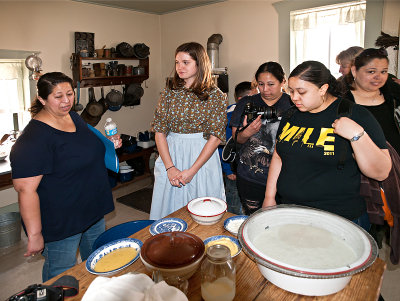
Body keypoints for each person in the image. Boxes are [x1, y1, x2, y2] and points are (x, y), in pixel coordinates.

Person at [10, 72, 120, 282]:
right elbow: (26, 190)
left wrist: (108, 143)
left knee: (98, 261)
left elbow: (84, 147)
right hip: (62, 220)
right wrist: (35, 235)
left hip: (92, 208)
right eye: (58, 96)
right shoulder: (33, 140)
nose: (67, 101)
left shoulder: (73, 117)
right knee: (62, 276)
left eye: (70, 94)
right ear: (42, 99)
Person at [263, 61, 391, 230]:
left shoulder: (355, 114)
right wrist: (269, 196)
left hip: (339, 219)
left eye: (301, 92)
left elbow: (381, 172)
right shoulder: (291, 114)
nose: (294, 98)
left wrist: (357, 136)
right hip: (291, 212)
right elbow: (279, 155)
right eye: (291, 91)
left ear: (323, 89)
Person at [150, 42, 227, 220]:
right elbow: (159, 131)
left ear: (199, 64)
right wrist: (170, 167)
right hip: (171, 153)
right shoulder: (169, 93)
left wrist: (192, 170)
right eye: (177, 62)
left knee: (202, 211)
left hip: (201, 156)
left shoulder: (215, 95)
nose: (179, 67)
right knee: (168, 210)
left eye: (186, 62)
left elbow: (215, 137)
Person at [230, 62, 292, 215]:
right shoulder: (246, 103)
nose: (265, 90)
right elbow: (236, 139)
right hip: (250, 177)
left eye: (271, 84)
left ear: (283, 81)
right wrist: (247, 132)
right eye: (261, 84)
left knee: (281, 223)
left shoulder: (292, 104)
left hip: (284, 178)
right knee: (252, 220)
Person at [343, 47, 400, 155]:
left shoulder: (394, 95)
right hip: (358, 165)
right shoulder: (341, 101)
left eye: (383, 71)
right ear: (354, 71)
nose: (378, 77)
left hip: (395, 164)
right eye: (371, 71)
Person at [218, 81, 252, 215]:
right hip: (233, 170)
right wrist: (227, 169)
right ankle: (231, 221)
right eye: (252, 97)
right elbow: (223, 145)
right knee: (234, 201)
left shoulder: (249, 114)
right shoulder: (229, 117)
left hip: (245, 169)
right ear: (241, 100)